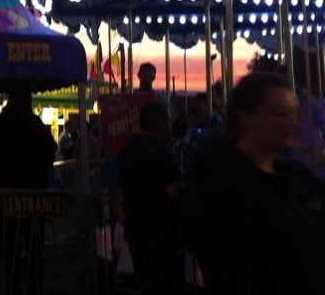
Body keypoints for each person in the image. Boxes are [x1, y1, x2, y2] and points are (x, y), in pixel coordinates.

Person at [183, 72, 325, 295]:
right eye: (280, 114)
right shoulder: (221, 185)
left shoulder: (298, 178)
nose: (293, 123)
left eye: (293, 114)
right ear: (246, 117)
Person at [0, 83, 57, 295]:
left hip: (7, 191)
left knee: (9, 246)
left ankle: (12, 287)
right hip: (34, 191)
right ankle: (34, 286)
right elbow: (50, 150)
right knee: (34, 246)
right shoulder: (34, 123)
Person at [118, 100, 184, 294]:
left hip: (135, 226)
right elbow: (173, 189)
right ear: (162, 122)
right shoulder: (162, 151)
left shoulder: (127, 149)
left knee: (144, 280)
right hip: (161, 232)